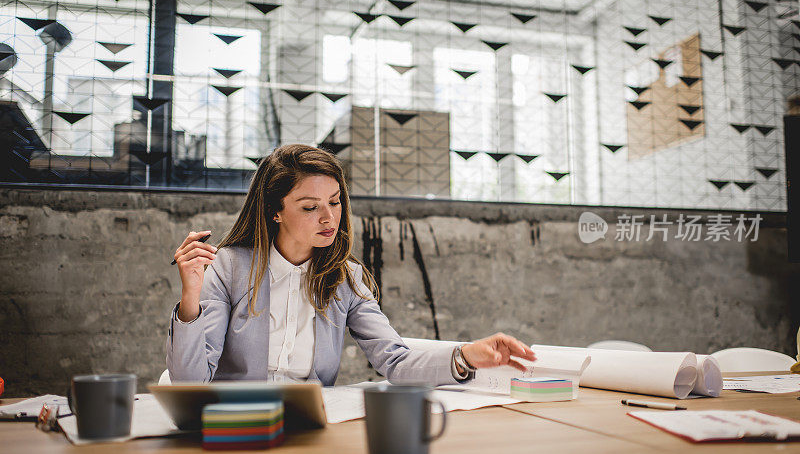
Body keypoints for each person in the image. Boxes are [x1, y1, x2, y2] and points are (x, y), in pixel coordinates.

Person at [167, 144, 536, 386]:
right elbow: (189, 384)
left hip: (307, 423)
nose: (329, 217)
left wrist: (465, 355)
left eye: (336, 201)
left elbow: (395, 361)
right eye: (310, 207)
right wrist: (190, 300)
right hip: (235, 421)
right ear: (275, 211)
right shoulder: (230, 267)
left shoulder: (346, 278)